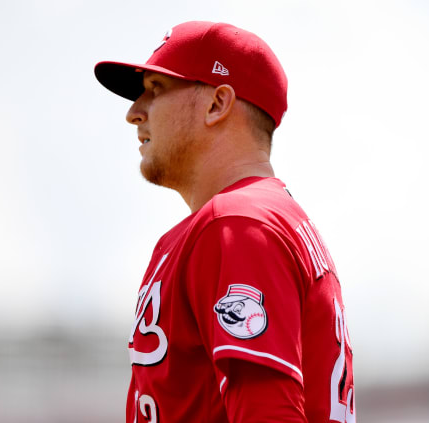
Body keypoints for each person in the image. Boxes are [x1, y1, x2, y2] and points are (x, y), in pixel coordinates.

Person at [94, 21, 356, 423]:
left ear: (217, 104)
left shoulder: (237, 225)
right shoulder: (271, 221)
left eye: (156, 89)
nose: (134, 112)